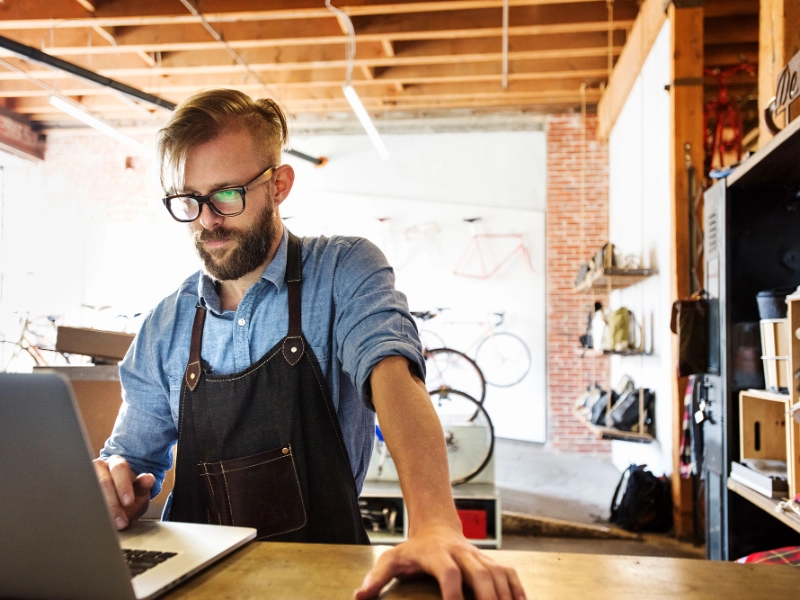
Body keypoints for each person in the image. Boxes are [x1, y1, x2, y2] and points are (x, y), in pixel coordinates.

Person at [93, 88, 525, 600]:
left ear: (279, 186)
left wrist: (435, 524)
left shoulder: (344, 271)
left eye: (227, 195)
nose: (207, 219)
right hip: (193, 584)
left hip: (329, 579)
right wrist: (111, 486)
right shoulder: (165, 324)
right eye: (189, 200)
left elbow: (392, 374)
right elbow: (129, 456)